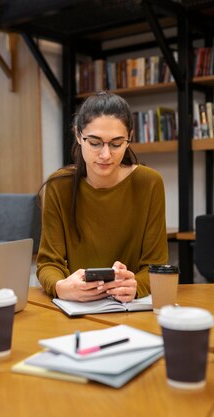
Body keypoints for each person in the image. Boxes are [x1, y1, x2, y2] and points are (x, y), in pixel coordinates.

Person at [37, 92, 168, 302]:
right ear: (79, 136)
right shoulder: (59, 185)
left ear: (129, 138)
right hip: (75, 309)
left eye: (116, 144)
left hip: (129, 308)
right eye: (95, 143)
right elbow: (48, 263)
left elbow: (156, 266)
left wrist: (136, 286)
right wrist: (62, 287)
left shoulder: (149, 182)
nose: (106, 154)